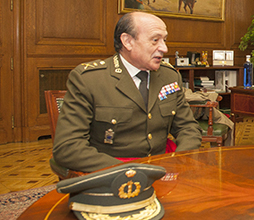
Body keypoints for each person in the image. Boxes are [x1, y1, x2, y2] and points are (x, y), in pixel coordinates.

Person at [53, 12, 202, 173]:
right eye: (155, 40)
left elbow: (188, 128)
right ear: (127, 41)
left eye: (164, 40)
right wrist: (129, 170)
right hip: (112, 176)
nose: (164, 48)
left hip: (162, 170)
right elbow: (67, 147)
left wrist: (179, 161)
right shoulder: (89, 79)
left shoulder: (169, 76)